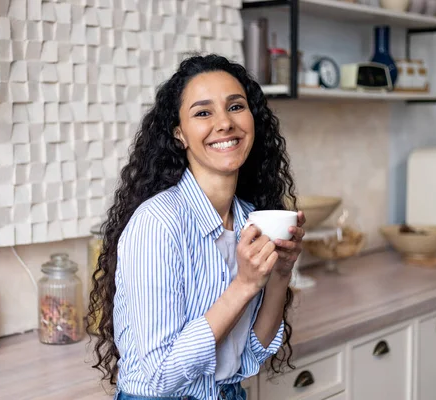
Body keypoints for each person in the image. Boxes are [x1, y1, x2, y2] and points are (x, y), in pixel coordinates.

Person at [87, 53, 305, 400]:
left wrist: (280, 271)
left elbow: (251, 354)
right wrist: (244, 285)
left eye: (235, 107)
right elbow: (160, 377)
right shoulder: (159, 223)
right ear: (180, 135)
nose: (224, 124)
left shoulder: (250, 218)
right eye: (203, 113)